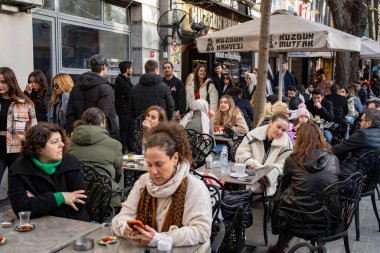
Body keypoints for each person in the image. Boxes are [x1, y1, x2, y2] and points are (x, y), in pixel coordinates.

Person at [111, 122, 212, 250]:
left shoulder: (194, 188)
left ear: (175, 158)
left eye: (159, 164)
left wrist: (159, 238)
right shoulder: (143, 182)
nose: (153, 171)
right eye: (149, 164)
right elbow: (121, 218)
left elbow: (201, 231)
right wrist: (124, 228)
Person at [269, 123, 341, 253]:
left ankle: (280, 246)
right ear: (320, 137)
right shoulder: (333, 158)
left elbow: (284, 187)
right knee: (294, 201)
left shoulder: (292, 159)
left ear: (299, 139)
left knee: (283, 202)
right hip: (329, 218)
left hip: (298, 219)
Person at [8, 123, 89, 221]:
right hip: (38, 228)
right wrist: (60, 198)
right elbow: (21, 210)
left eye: (61, 140)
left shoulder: (70, 162)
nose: (62, 144)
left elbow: (78, 207)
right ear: (39, 148)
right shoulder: (19, 168)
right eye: (55, 142)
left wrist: (37, 202)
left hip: (75, 225)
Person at [69, 107, 123, 209]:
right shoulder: (115, 144)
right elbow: (118, 173)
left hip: (75, 197)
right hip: (105, 199)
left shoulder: (69, 143)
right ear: (102, 124)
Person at [235, 113, 293, 196]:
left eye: (283, 130)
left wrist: (267, 175)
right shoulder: (253, 135)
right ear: (270, 123)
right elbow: (242, 153)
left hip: (270, 180)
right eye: (278, 127)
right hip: (249, 174)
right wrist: (251, 163)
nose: (280, 132)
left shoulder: (286, 142)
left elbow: (283, 164)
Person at [66, 54, 120, 140]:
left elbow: (69, 113)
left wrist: (72, 131)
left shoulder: (76, 87)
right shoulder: (106, 88)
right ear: (104, 67)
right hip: (100, 136)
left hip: (79, 134)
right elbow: (101, 116)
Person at [0, 67, 37, 184]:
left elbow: (33, 130)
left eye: (3, 82)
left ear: (11, 82)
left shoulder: (25, 103)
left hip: (17, 150)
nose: (0, 85)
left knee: (17, 188)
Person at [332, 109, 380, 175]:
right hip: (369, 176)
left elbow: (336, 150)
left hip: (350, 174)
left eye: (362, 120)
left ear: (368, 123)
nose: (360, 123)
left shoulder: (362, 134)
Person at [114, 61, 134, 153]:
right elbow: (128, 93)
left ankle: (130, 150)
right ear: (127, 69)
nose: (132, 70)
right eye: (131, 68)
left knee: (130, 132)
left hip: (128, 110)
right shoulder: (120, 80)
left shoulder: (126, 79)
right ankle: (123, 151)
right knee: (124, 132)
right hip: (123, 111)